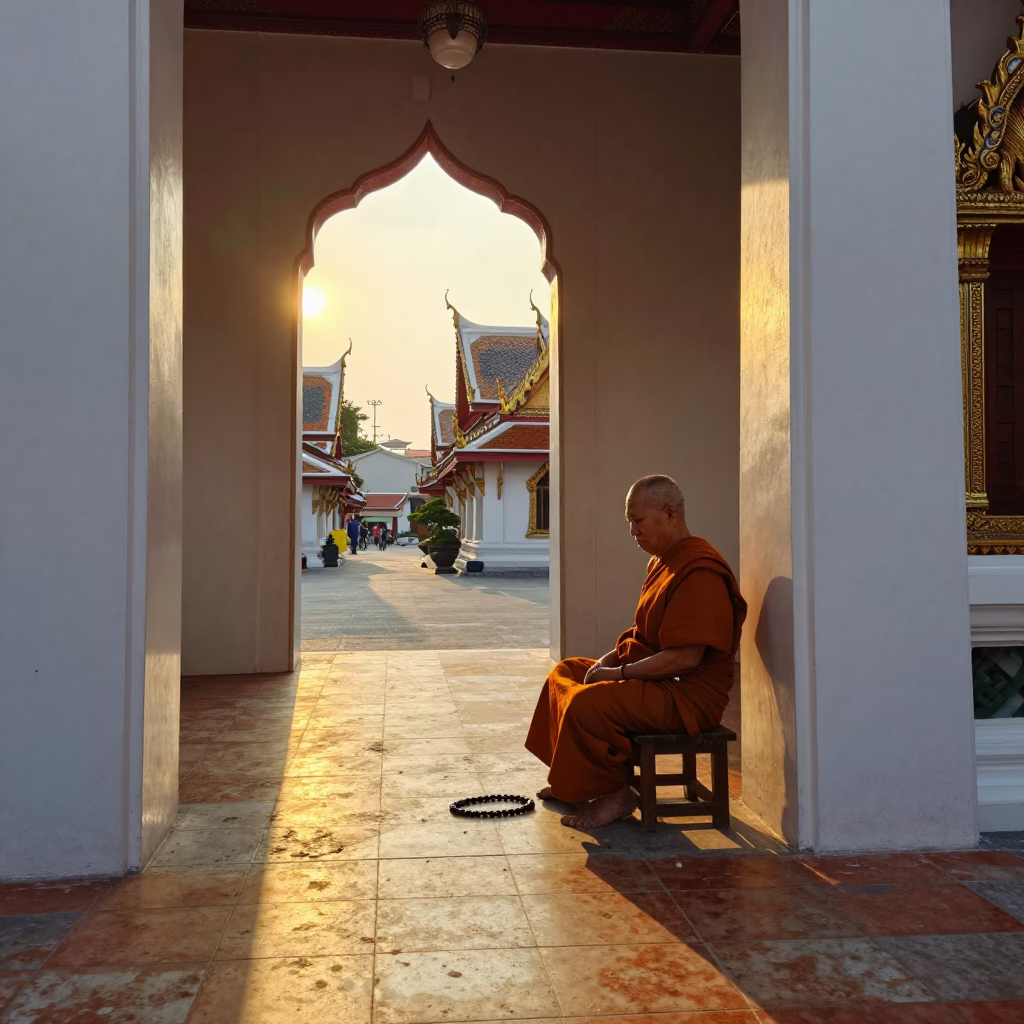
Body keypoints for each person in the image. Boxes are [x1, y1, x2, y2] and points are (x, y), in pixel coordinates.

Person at [525, 474, 746, 829]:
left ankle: (616, 794)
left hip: (685, 697)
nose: (633, 531)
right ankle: (573, 780)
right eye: (629, 522)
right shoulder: (660, 562)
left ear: (669, 513)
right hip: (660, 681)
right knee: (566, 672)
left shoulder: (700, 571)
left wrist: (617, 675)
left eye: (639, 521)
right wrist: (605, 662)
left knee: (587, 703)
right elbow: (641, 634)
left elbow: (685, 658)